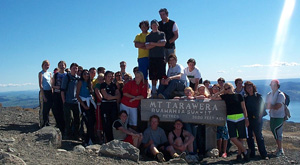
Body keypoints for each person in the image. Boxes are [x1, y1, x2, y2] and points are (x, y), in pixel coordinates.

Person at [211, 82, 250, 161]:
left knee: (241, 138)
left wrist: (246, 118)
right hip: (230, 118)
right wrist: (221, 91)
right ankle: (245, 151)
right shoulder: (224, 96)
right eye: (226, 88)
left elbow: (244, 108)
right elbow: (213, 98)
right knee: (233, 138)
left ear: (232, 87)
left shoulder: (239, 96)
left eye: (228, 87)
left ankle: (239, 155)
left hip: (240, 118)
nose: (227, 89)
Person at [244, 81, 268, 159]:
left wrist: (260, 118)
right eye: (247, 87)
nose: (249, 89)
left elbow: (262, 108)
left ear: (253, 87)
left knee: (258, 136)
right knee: (249, 137)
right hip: (249, 119)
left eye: (250, 87)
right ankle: (252, 153)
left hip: (257, 119)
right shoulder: (245, 98)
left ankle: (263, 154)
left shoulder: (258, 96)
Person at [145, 19, 166, 95]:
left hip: (160, 57)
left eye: (156, 25)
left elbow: (163, 44)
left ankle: (161, 91)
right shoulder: (148, 36)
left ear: (158, 26)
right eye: (153, 25)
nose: (154, 26)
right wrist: (157, 43)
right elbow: (147, 47)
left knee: (161, 75)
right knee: (153, 76)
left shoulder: (161, 34)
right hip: (152, 57)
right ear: (151, 26)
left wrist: (152, 43)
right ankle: (153, 91)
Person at [76, 69, 96, 146]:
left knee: (92, 122)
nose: (86, 75)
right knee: (87, 122)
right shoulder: (80, 82)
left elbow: (90, 93)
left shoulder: (89, 82)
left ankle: (90, 140)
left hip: (90, 103)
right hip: (83, 103)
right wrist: (83, 105)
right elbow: (77, 95)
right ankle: (87, 140)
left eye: (87, 74)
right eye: (84, 74)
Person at [266, 79, 285, 157]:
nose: (273, 86)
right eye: (271, 85)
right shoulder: (269, 94)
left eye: (274, 85)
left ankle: (280, 149)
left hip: (279, 116)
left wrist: (270, 106)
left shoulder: (280, 95)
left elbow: (278, 106)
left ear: (277, 86)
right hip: (273, 116)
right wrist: (271, 106)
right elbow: (268, 105)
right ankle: (279, 148)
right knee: (275, 132)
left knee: (278, 132)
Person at [61, 63, 80, 140]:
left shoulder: (78, 78)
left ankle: (75, 134)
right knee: (68, 119)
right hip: (68, 102)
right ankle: (67, 134)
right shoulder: (67, 77)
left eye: (76, 68)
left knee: (77, 119)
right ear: (70, 68)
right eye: (73, 68)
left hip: (76, 102)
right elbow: (62, 90)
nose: (75, 70)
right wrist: (64, 101)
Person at [99, 71, 120, 142]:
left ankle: (114, 140)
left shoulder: (114, 85)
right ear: (105, 77)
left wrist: (112, 97)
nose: (110, 78)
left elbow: (118, 95)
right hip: (105, 106)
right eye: (109, 76)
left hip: (113, 106)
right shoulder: (103, 85)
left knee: (113, 122)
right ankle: (107, 140)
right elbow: (106, 96)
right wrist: (114, 97)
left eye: (111, 76)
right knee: (106, 124)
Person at [212, 84, 229, 158]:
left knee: (224, 134)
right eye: (214, 88)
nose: (215, 89)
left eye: (217, 88)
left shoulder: (223, 96)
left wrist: (221, 92)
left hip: (223, 117)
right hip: (214, 118)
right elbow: (213, 97)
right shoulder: (211, 95)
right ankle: (219, 150)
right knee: (218, 135)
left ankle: (224, 151)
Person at [52, 60, 67, 133]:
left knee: (64, 111)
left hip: (65, 94)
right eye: (60, 65)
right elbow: (53, 85)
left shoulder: (67, 74)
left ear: (65, 66)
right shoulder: (56, 75)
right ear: (58, 66)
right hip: (57, 94)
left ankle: (64, 127)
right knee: (57, 110)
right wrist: (57, 87)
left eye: (63, 65)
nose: (62, 66)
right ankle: (59, 126)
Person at [38, 60, 53, 128]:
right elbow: (40, 85)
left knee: (48, 107)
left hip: (50, 91)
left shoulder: (50, 73)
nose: (47, 66)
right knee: (44, 108)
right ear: (42, 65)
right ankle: (43, 122)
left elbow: (51, 83)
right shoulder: (41, 73)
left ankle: (47, 122)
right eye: (45, 65)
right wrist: (43, 95)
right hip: (44, 91)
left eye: (48, 65)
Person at [94, 73, 104, 144]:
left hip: (104, 105)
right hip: (99, 105)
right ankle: (99, 138)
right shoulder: (97, 86)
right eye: (99, 79)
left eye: (102, 79)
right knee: (99, 121)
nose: (101, 80)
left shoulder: (104, 85)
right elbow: (99, 96)